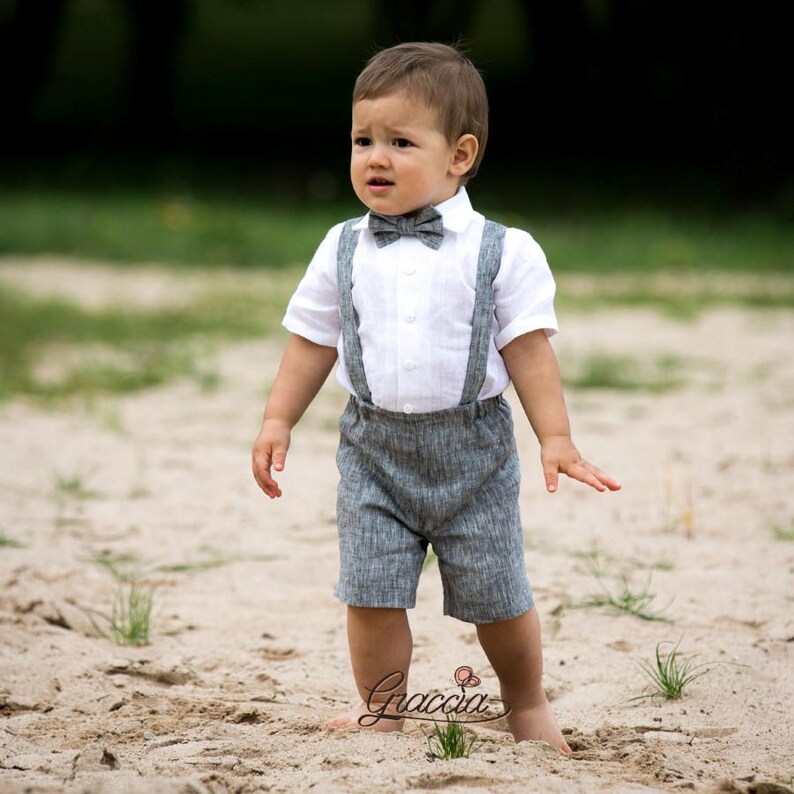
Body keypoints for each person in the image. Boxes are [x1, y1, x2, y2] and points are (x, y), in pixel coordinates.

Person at [251, 41, 620, 755]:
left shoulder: (503, 250)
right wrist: (277, 419)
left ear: (459, 155)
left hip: (474, 456)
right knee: (370, 591)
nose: (375, 158)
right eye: (362, 140)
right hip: (373, 452)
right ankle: (382, 709)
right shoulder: (341, 247)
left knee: (497, 595)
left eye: (400, 142)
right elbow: (312, 340)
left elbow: (528, 350)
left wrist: (555, 437)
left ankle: (526, 703)